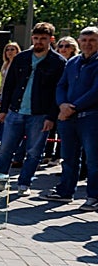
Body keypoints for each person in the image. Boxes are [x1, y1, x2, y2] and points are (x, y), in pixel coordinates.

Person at [0, 23, 65, 194]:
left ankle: (24, 183)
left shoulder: (58, 62)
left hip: (40, 114)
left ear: (51, 39)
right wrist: (3, 109)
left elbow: (59, 90)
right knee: (5, 149)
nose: (39, 42)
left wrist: (51, 117)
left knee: (34, 151)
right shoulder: (22, 58)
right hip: (15, 110)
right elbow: (9, 85)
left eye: (43, 39)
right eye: (36, 38)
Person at [45, 26, 98, 208]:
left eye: (92, 40)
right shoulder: (73, 62)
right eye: (84, 40)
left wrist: (73, 107)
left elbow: (95, 91)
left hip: (90, 117)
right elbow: (61, 86)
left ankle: (94, 196)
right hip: (68, 118)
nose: (87, 44)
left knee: (93, 159)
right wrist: (62, 105)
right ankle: (65, 191)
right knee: (69, 157)